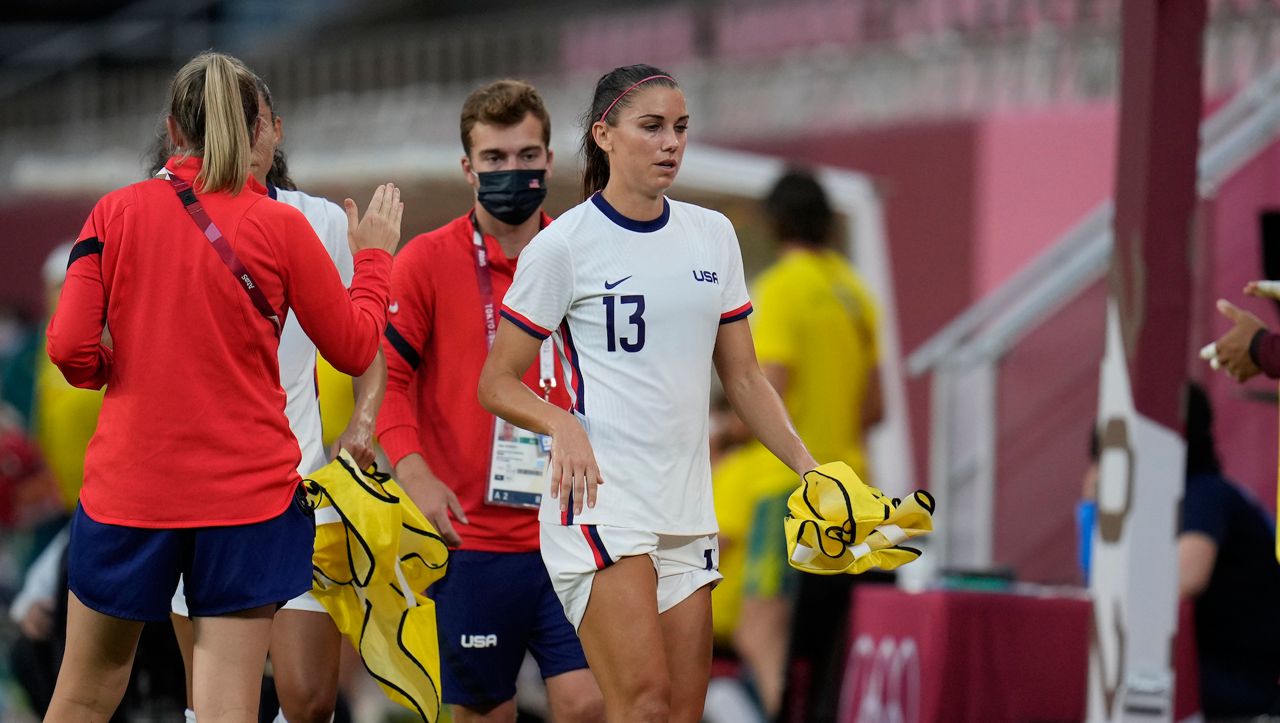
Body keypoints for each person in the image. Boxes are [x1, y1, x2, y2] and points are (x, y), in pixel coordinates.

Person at [43, 51, 401, 722]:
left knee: (86, 693)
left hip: (132, 490)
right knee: (225, 708)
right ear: (260, 130)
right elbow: (354, 344)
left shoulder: (114, 213)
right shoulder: (283, 224)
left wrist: (112, 372)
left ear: (173, 130)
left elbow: (66, 346)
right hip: (245, 500)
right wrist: (375, 259)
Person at [477, 64, 820, 722]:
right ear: (604, 135)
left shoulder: (712, 236)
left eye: (681, 128)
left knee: (681, 711)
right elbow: (495, 380)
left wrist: (808, 467)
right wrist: (563, 426)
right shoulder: (563, 246)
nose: (671, 143)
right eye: (653, 127)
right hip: (602, 505)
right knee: (645, 703)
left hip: (687, 508)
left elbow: (744, 378)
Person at [160, 76, 388, 723]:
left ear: (274, 129)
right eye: (223, 122)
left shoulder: (316, 221)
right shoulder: (160, 207)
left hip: (302, 488)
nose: (240, 136)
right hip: (198, 494)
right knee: (211, 699)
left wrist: (363, 423)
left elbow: (368, 341)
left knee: (309, 697)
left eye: (252, 120)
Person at [376, 79, 603, 723]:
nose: (514, 172)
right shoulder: (424, 262)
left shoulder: (584, 255)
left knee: (590, 704)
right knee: (483, 715)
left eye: (527, 156)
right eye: (496, 159)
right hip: (469, 542)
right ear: (467, 167)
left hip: (576, 532)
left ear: (550, 162)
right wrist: (412, 473)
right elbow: (387, 381)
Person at [711, 168, 883, 718]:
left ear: (773, 223)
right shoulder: (855, 294)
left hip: (783, 490)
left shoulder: (780, 290)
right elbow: (876, 408)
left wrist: (722, 430)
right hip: (852, 494)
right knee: (824, 649)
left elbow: (769, 392)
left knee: (762, 634)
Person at [1083, 384, 1280, 716]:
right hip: (1206, 674)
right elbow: (1097, 579)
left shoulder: (1205, 495)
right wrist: (1094, 511)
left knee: (1110, 681)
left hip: (1239, 685)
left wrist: (1100, 509)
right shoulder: (1171, 503)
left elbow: (1185, 580)